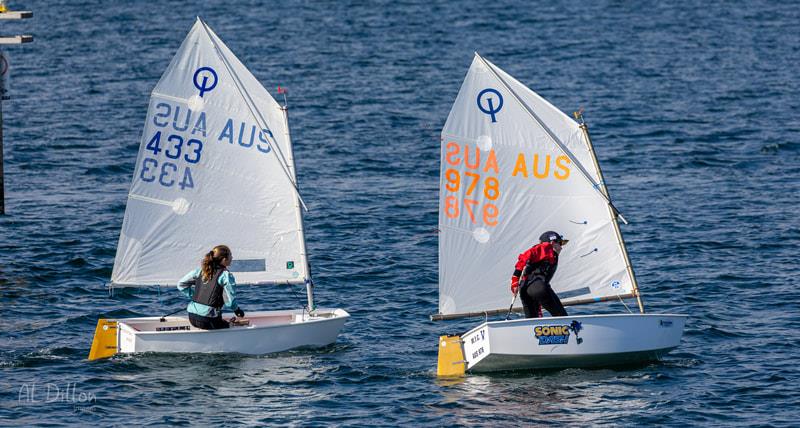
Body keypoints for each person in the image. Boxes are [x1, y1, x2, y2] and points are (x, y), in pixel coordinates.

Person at [177, 245, 245, 330]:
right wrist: (237, 311)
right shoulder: (226, 276)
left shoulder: (200, 271)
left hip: (192, 317)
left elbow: (181, 285)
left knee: (220, 321)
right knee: (230, 325)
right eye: (230, 255)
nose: (232, 257)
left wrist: (195, 296)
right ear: (224, 259)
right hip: (208, 320)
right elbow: (230, 302)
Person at [510, 231, 569, 318]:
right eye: (560, 243)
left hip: (525, 289)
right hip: (536, 286)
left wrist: (515, 282)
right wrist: (515, 280)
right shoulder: (546, 247)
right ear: (552, 243)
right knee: (562, 316)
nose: (561, 247)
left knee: (533, 321)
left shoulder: (549, 253)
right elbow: (525, 257)